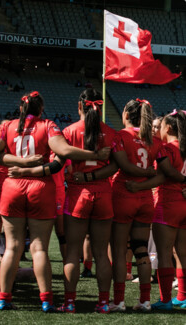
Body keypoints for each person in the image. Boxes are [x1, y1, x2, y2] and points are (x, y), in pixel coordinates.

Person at [0, 91, 110, 312]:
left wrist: (17, 161)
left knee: (11, 248)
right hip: (41, 188)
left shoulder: (6, 126)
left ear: (21, 109)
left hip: (12, 186)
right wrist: (95, 154)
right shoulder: (47, 125)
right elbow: (63, 151)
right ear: (41, 109)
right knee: (40, 249)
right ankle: (46, 301)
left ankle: (3, 299)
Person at [54, 89, 117, 313]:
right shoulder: (110, 132)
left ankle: (69, 303)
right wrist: (93, 175)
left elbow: (59, 162)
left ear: (79, 107)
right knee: (101, 253)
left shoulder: (69, 131)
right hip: (103, 194)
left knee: (72, 251)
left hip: (78, 194)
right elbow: (115, 165)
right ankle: (103, 303)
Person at [124, 110, 186, 310]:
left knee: (164, 253)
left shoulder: (166, 148)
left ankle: (166, 299)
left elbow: (162, 176)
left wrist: (138, 186)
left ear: (168, 128)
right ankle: (183, 297)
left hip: (168, 203)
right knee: (183, 253)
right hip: (184, 204)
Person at [108, 99, 162, 312]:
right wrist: (147, 177)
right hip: (145, 198)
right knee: (141, 250)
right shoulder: (154, 140)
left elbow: (124, 166)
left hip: (124, 194)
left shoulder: (121, 136)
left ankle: (119, 301)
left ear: (126, 115)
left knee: (120, 251)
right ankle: (145, 300)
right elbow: (161, 173)